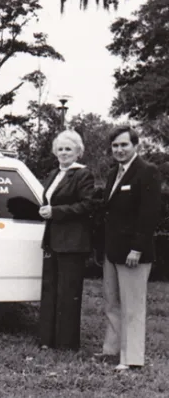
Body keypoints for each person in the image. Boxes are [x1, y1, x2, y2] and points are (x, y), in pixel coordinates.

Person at [97, 126, 161, 371]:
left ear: (136, 145)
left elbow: (149, 214)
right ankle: (111, 350)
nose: (119, 150)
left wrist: (137, 248)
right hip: (112, 250)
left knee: (133, 306)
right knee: (112, 303)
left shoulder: (147, 172)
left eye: (124, 145)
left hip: (134, 253)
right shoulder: (114, 173)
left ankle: (132, 357)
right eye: (115, 146)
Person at [37, 129, 95, 350]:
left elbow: (88, 205)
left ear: (78, 152)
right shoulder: (54, 174)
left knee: (68, 292)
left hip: (73, 242)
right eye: (60, 149)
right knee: (50, 289)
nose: (63, 153)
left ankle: (66, 343)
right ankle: (47, 339)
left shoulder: (83, 174)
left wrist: (56, 212)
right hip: (53, 239)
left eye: (68, 149)